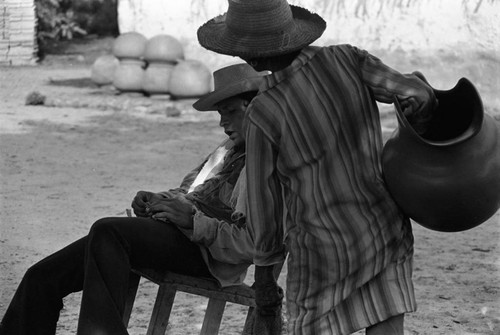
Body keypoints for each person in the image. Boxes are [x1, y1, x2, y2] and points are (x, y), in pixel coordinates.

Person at [197, 1, 438, 334]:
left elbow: (266, 210)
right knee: (386, 316)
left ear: (250, 55)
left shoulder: (264, 111)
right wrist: (417, 133)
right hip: (383, 228)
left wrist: (264, 280)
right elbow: (417, 95)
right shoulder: (349, 59)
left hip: (322, 252)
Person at [0, 63, 265, 335]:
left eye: (231, 112)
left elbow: (254, 243)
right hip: (177, 234)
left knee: (109, 231)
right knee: (43, 277)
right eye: (220, 115)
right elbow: (190, 193)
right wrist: (159, 201)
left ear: (257, 111)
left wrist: (193, 222)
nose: (223, 124)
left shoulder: (267, 164)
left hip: (208, 255)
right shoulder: (226, 151)